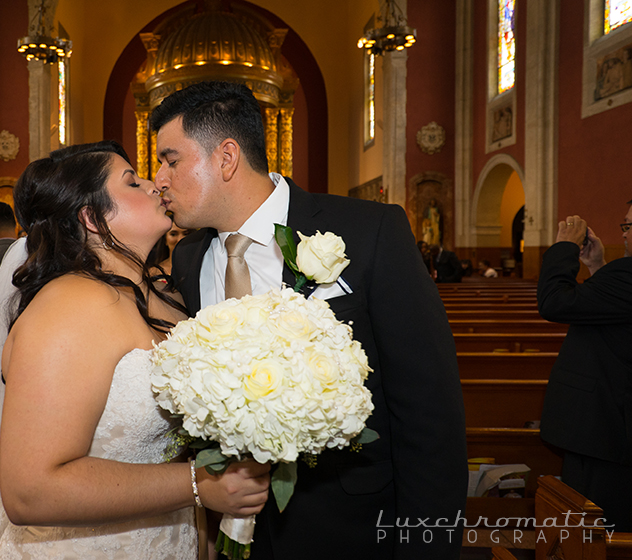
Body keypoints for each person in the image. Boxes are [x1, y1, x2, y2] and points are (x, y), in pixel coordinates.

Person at [150, 81, 466, 559]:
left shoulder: (369, 232)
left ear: (226, 157)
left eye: (170, 160)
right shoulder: (189, 259)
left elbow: (430, 413)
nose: (159, 179)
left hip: (352, 528)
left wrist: (427, 546)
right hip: (234, 529)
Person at [0, 141, 270, 560]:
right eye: (132, 181)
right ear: (92, 218)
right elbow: (31, 492)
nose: (154, 185)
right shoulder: (71, 306)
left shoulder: (164, 295)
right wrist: (198, 484)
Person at [537, 209, 632, 532]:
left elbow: (555, 302)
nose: (622, 233)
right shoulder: (622, 278)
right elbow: (613, 311)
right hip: (615, 423)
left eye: (628, 225)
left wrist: (565, 247)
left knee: (593, 527)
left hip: (604, 428)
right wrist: (596, 266)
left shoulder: (628, 274)